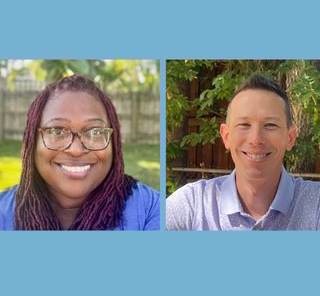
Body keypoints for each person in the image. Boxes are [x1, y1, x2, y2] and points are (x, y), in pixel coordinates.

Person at [0, 75, 159, 230]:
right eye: (57, 131)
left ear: (114, 142)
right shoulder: (3, 214)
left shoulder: (150, 209)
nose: (76, 150)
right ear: (32, 142)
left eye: (95, 132)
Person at [166, 74, 320, 230]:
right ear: (226, 136)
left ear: (290, 137)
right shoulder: (192, 206)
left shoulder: (315, 205)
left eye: (270, 125)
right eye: (244, 125)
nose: (256, 139)